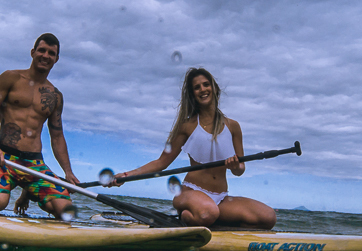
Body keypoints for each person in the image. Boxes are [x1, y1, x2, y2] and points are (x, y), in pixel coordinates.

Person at [111, 67, 276, 230]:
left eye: (206, 84)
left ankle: (214, 221)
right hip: (190, 193)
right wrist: (127, 175)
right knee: (208, 213)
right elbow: (161, 162)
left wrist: (236, 166)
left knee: (268, 218)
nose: (202, 89)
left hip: (221, 199)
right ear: (192, 95)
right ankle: (189, 216)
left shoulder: (233, 127)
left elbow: (240, 169)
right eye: (197, 87)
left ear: (214, 88)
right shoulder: (187, 126)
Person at [0, 33, 79, 218]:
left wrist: (68, 172)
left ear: (56, 59)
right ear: (33, 52)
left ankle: (29, 190)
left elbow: (57, 136)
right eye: (42, 50)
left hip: (35, 164)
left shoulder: (55, 96)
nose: (45, 56)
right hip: (4, 158)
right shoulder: (10, 78)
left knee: (65, 212)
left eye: (51, 53)